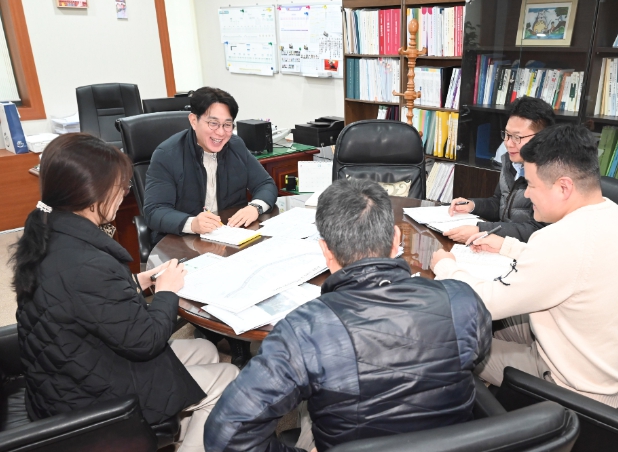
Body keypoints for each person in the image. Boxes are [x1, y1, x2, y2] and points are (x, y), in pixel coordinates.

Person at [204, 178, 492, 452]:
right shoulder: (462, 300)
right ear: (396, 239)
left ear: (325, 250)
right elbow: (473, 357)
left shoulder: (304, 330)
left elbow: (226, 435)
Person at [11, 134, 239, 452]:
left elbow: (80, 299)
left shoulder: (49, 227)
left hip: (70, 370)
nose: (124, 194)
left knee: (205, 350)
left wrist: (137, 282)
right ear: (92, 194)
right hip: (86, 399)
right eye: (121, 187)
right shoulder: (85, 263)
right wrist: (166, 292)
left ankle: (175, 438)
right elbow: (146, 340)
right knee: (229, 376)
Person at [431, 124, 618, 408]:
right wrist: (507, 246)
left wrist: (447, 267)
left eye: (532, 185)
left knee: (447, 340)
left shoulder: (562, 239)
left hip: (577, 387)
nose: (527, 195)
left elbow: (484, 302)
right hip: (606, 367)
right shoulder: (612, 213)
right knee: (491, 325)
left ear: (563, 187)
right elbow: (571, 266)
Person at [143, 86, 278, 247]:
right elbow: (154, 211)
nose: (220, 133)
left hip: (230, 237)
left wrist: (255, 208)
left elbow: (265, 184)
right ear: (194, 121)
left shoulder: (236, 146)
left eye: (227, 125)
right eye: (213, 123)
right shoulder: (167, 155)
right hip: (183, 242)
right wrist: (192, 223)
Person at [445, 96, 555, 243]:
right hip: (502, 244)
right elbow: (500, 202)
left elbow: (538, 229)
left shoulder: (551, 174)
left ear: (541, 138)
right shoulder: (510, 161)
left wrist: (483, 229)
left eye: (517, 137)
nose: (508, 143)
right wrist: (473, 205)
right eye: (507, 135)